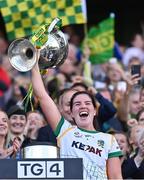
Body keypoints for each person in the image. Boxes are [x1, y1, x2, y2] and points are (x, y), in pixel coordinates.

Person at [31, 57, 123, 179]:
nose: (82, 106)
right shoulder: (65, 131)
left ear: (95, 111)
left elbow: (116, 177)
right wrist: (33, 63)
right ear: (72, 113)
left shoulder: (109, 140)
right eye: (77, 104)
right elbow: (42, 96)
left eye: (87, 103)